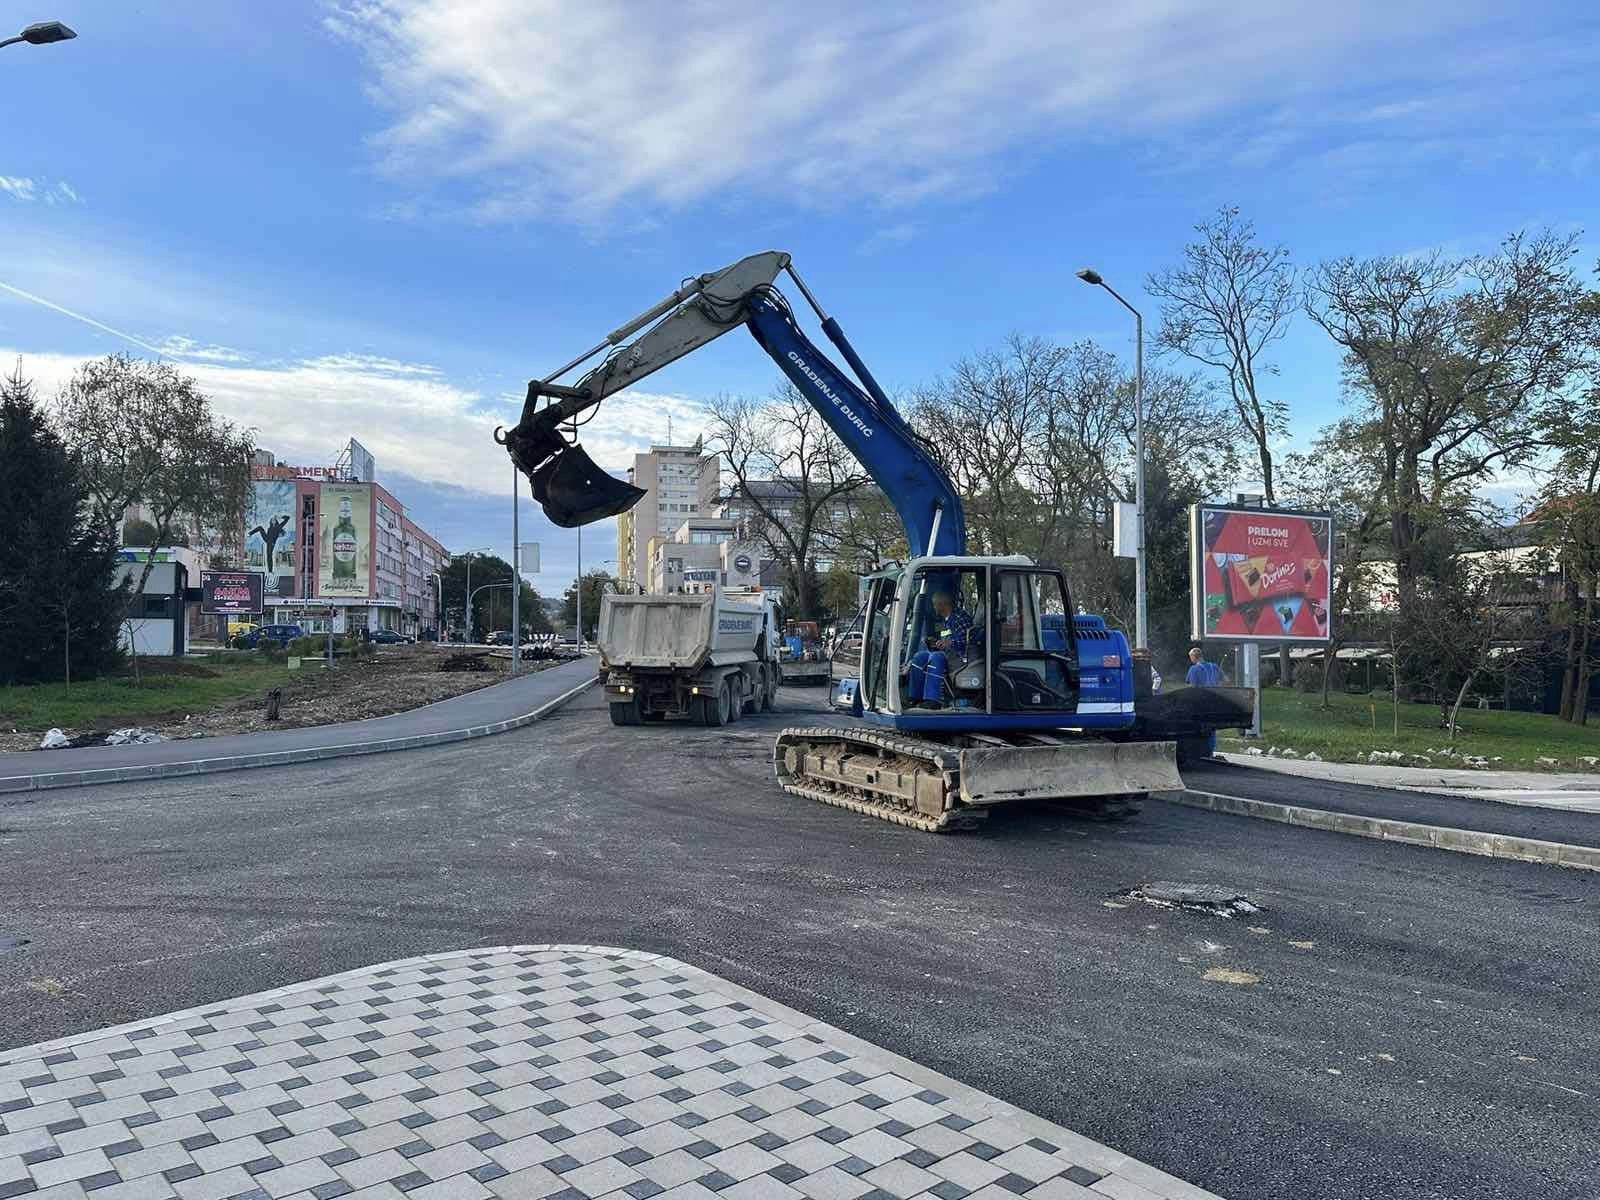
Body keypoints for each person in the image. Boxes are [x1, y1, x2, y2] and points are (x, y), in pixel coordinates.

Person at [908, 590, 976, 707]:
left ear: (942, 605)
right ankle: (915, 697)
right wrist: (936, 643)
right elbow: (946, 638)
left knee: (936, 657)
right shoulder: (944, 621)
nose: (934, 607)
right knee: (919, 657)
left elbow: (967, 642)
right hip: (948, 654)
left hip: (961, 658)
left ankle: (932, 700)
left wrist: (949, 643)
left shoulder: (960, 618)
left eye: (935, 604)